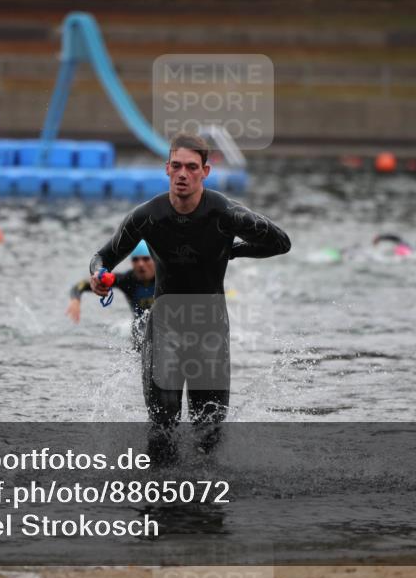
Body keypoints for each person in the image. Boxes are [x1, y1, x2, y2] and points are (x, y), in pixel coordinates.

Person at [88, 134, 291, 461]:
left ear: (205, 172)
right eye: (177, 166)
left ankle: (204, 507)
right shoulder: (147, 216)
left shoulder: (227, 214)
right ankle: (158, 501)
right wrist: (98, 277)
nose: (183, 174)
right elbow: (103, 256)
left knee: (208, 433)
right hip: (165, 328)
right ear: (167, 168)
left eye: (192, 167)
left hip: (210, 330)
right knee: (163, 426)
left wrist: (234, 250)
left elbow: (281, 243)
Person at [66, 240, 156, 347]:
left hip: (164, 325)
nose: (141, 264)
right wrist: (75, 299)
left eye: (146, 259)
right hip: (140, 330)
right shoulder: (127, 280)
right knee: (141, 334)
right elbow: (81, 284)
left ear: (155, 260)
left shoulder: (166, 278)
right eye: (136, 260)